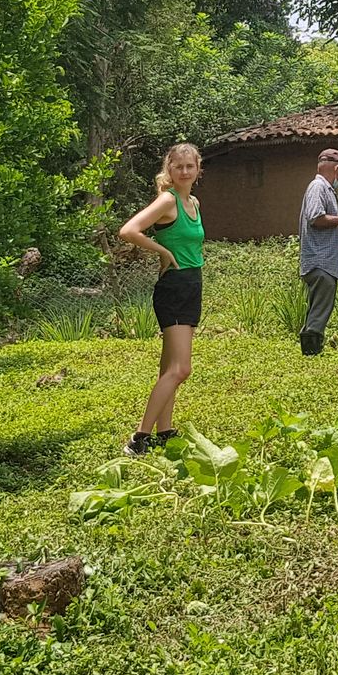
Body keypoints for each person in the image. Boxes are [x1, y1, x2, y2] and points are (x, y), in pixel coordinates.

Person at [115, 142, 205, 456]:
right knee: (181, 369)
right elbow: (129, 230)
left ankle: (165, 432)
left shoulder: (192, 200)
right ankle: (139, 438)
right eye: (177, 166)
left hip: (191, 283)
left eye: (189, 166)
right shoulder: (168, 200)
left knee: (168, 366)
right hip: (175, 287)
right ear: (169, 170)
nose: (184, 171)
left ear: (197, 169)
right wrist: (163, 251)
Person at [297, 148, 338, 356]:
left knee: (318, 308)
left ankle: (311, 348)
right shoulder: (318, 187)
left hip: (324, 261)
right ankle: (312, 351)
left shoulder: (326, 190)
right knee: (320, 310)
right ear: (337, 169)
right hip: (320, 261)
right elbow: (316, 217)